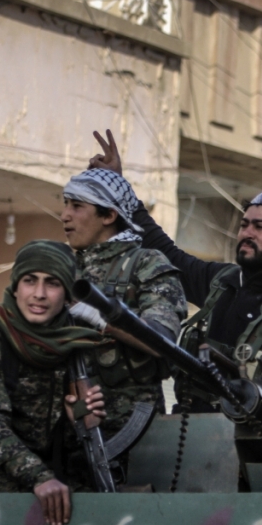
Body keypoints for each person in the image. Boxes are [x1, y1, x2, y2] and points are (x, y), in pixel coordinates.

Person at [89, 130, 262, 408]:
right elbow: (163, 248)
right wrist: (118, 185)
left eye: (260, 227)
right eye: (244, 224)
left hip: (246, 435)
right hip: (190, 425)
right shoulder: (222, 281)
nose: (247, 233)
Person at [0, 240, 104, 525]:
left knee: (100, 512)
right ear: (16, 287)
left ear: (66, 294)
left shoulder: (74, 341)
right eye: (30, 281)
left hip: (47, 473)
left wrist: (77, 419)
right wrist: (40, 478)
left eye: (52, 283)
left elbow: (59, 438)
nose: (39, 294)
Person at [60, 158, 187, 466]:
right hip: (71, 421)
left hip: (139, 433)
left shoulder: (146, 264)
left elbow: (162, 339)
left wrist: (100, 319)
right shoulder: (61, 267)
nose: (65, 215)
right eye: (65, 204)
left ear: (109, 215)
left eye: (77, 206)